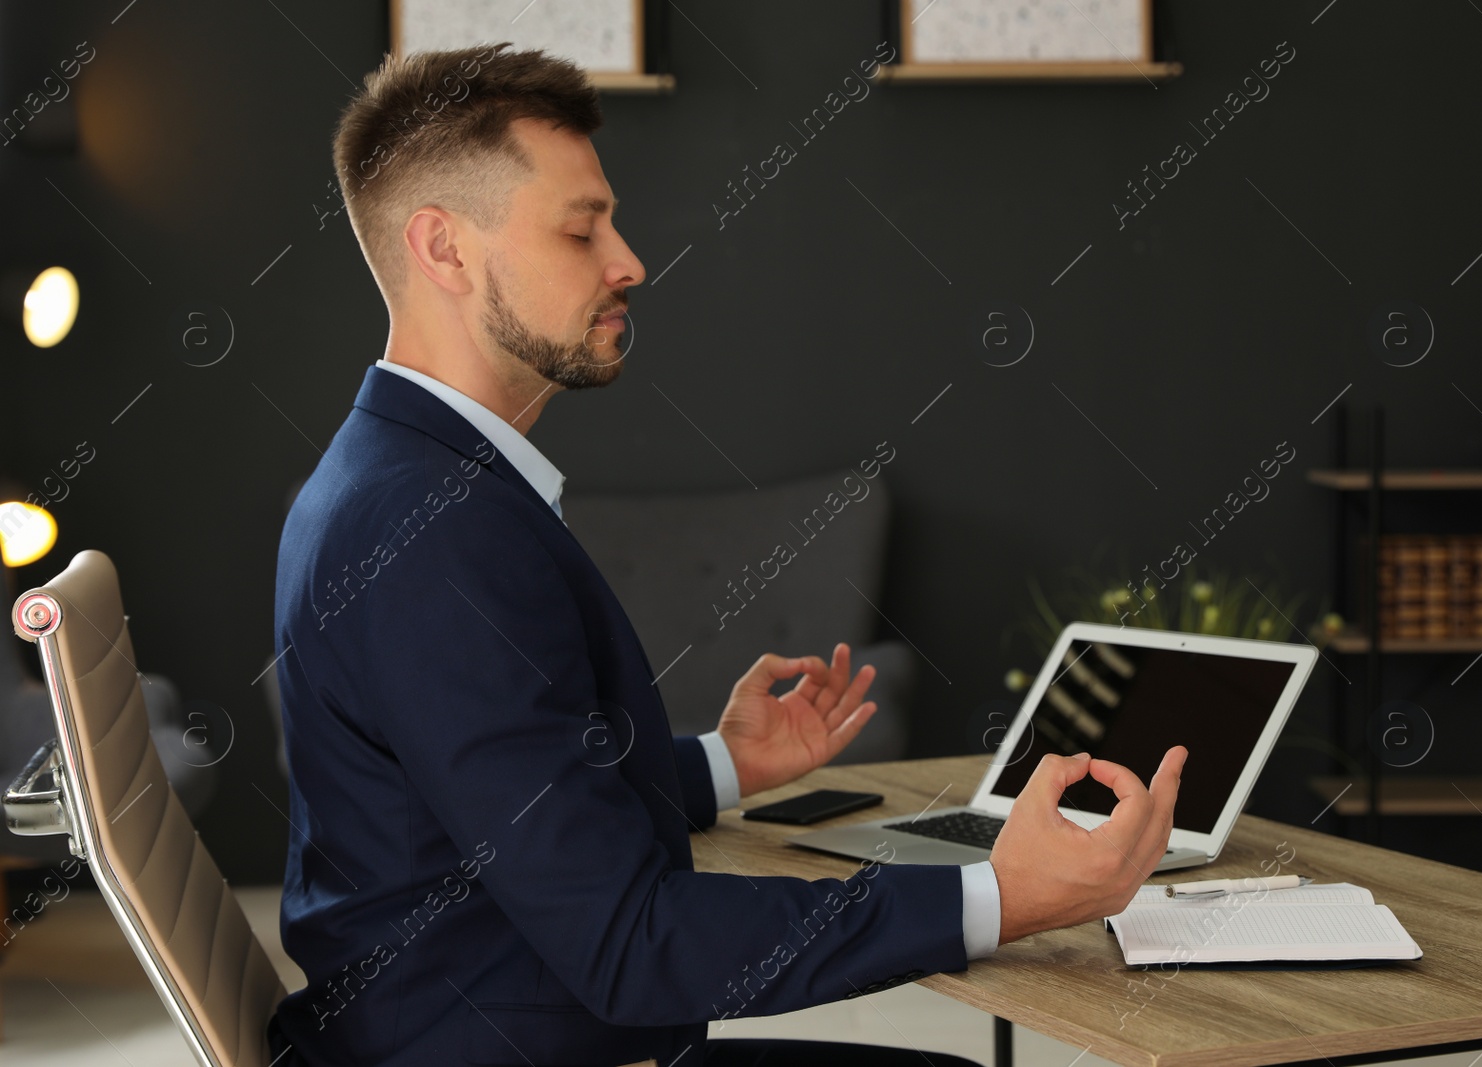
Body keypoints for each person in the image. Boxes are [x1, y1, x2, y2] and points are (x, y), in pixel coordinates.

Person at [268, 42, 1187, 1067]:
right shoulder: (432, 530)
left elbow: (504, 793)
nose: (628, 261)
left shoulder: (396, 477)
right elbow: (628, 944)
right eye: (582, 229)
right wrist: (1001, 892)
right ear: (443, 249)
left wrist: (723, 762)